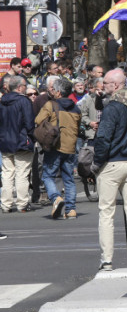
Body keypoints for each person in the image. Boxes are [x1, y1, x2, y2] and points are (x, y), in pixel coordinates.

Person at [92, 69, 127, 271]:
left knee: (106, 213)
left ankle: (107, 259)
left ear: (115, 85)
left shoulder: (112, 108)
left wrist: (97, 163)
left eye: (105, 83)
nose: (102, 86)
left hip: (112, 162)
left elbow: (103, 138)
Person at [37, 78, 81, 219]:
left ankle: (56, 198)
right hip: (70, 147)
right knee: (69, 179)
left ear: (59, 92)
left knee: (47, 175)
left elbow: (38, 120)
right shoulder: (76, 107)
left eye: (54, 90)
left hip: (55, 145)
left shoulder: (51, 105)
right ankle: (71, 210)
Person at [0, 76, 36, 213]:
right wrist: (33, 137)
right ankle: (22, 203)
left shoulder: (2, 101)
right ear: (20, 87)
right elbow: (29, 123)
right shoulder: (24, 101)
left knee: (7, 174)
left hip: (5, 141)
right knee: (22, 173)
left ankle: (6, 204)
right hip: (22, 141)